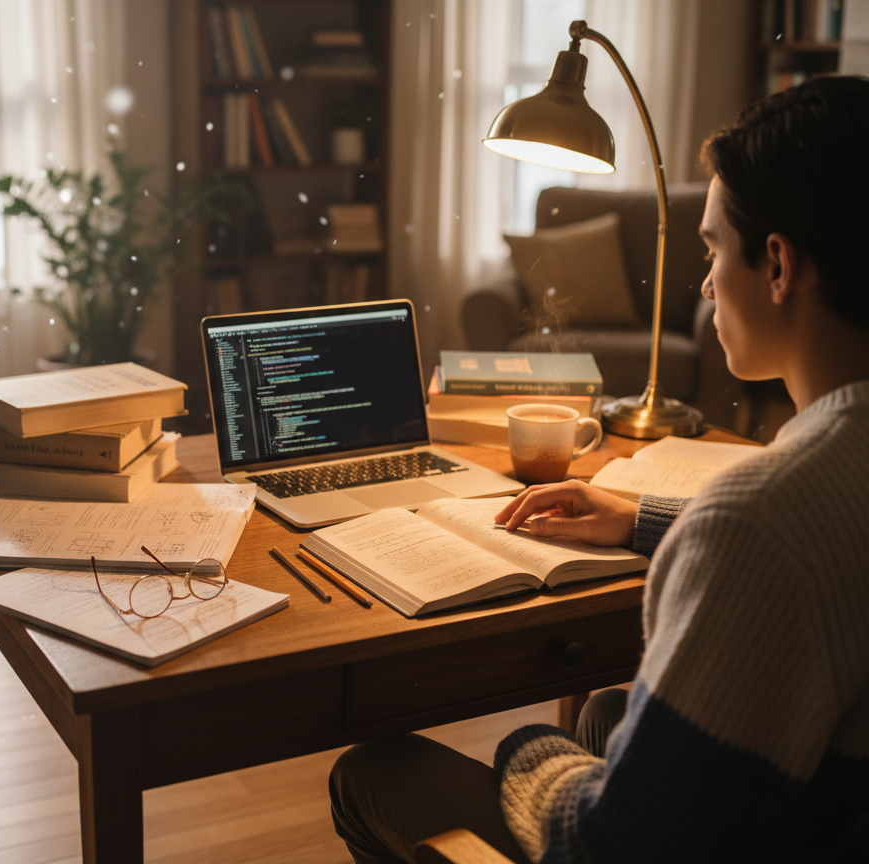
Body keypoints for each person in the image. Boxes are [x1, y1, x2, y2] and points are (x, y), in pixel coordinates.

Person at [329, 74, 869, 864]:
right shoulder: (809, 497)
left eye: (714, 248)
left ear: (780, 265)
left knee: (378, 770)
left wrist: (526, 748)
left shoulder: (759, 523)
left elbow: (607, 847)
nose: (708, 282)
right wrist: (643, 518)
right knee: (609, 713)